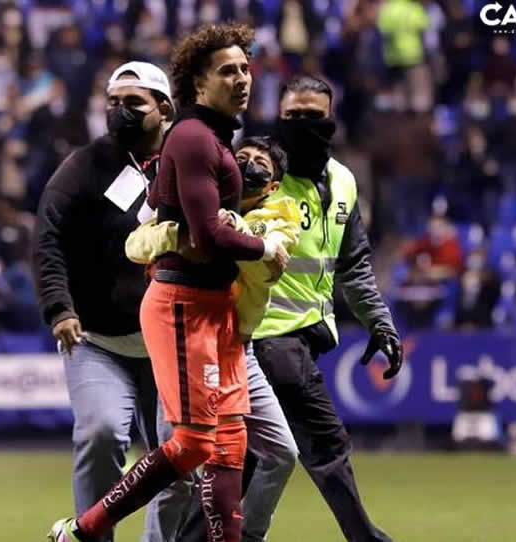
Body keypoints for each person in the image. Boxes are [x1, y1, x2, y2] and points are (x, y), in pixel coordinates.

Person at [49, 24, 289, 542]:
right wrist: (264, 247)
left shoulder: (213, 139)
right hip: (183, 306)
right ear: (198, 84)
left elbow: (168, 219)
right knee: (193, 444)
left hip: (218, 308)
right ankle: (83, 529)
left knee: (229, 444)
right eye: (228, 71)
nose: (242, 79)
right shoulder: (193, 138)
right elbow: (206, 233)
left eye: (245, 69)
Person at [126, 136, 300, 542]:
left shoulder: (280, 216)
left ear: (273, 186)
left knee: (281, 452)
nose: (249, 166)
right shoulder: (196, 200)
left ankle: (249, 536)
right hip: (188, 340)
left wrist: (230, 231)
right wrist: (180, 236)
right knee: (178, 471)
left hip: (238, 348)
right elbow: (135, 243)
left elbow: (263, 269)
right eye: (243, 158)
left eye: (260, 164)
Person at [254, 74, 402, 542]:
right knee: (326, 444)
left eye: (313, 116)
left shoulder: (343, 182)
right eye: (293, 115)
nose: (303, 124)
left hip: (308, 335)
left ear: (332, 119)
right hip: (266, 334)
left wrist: (380, 322)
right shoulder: (257, 177)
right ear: (278, 118)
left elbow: (353, 265)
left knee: (252, 458)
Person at [34, 61, 177, 541]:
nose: (119, 111)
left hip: (170, 342)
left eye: (133, 102)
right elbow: (48, 236)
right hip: (98, 339)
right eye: (112, 102)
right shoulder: (84, 165)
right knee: (100, 433)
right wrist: (59, 307)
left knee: (179, 454)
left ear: (164, 108)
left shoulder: (187, 160)